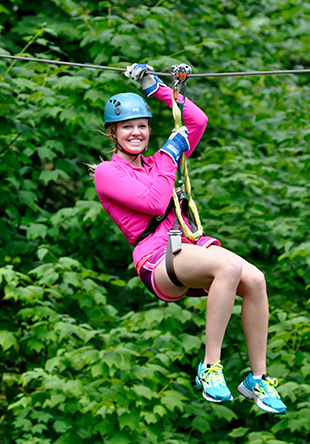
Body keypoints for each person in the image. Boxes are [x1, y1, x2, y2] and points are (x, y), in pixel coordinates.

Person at [93, 63, 286, 415]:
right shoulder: (109, 173)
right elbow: (153, 201)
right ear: (113, 133)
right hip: (156, 258)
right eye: (127, 128)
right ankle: (211, 367)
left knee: (256, 280)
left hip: (187, 246)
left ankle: (258, 378)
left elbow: (196, 120)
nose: (136, 133)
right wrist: (170, 153)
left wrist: (156, 88)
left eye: (142, 126)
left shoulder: (155, 162)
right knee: (227, 267)